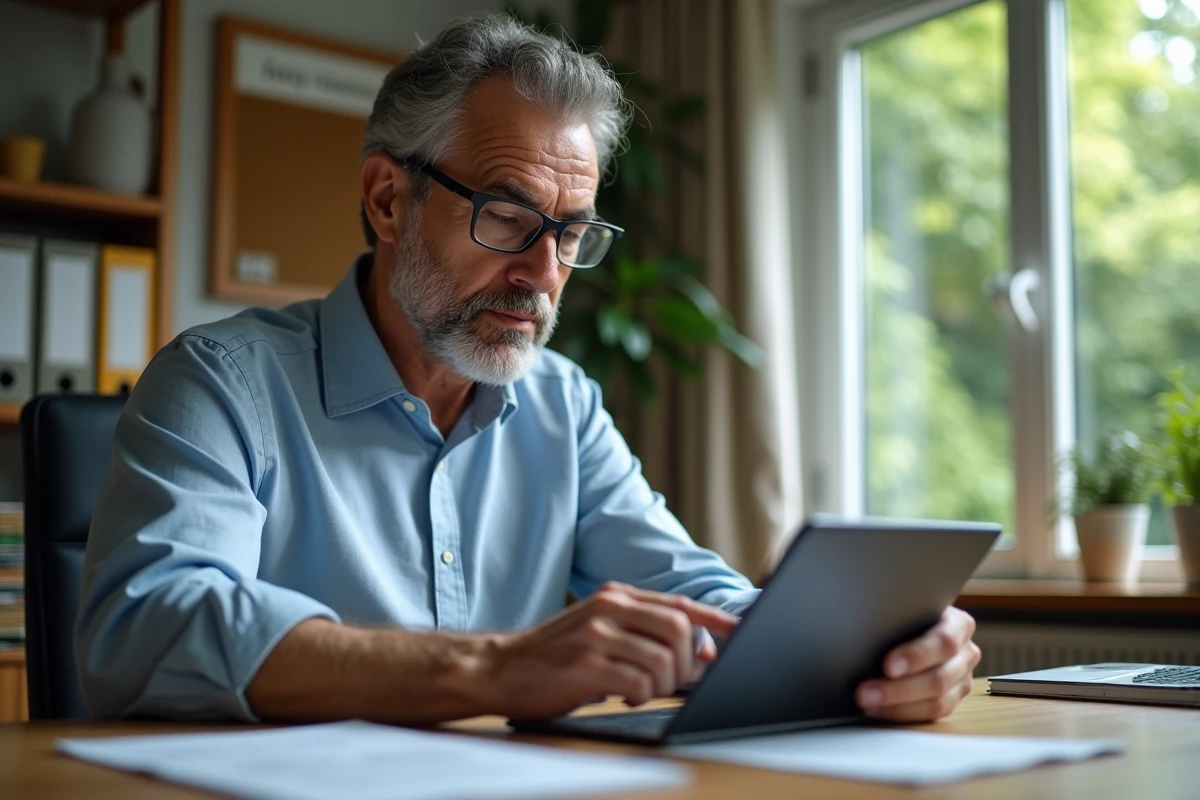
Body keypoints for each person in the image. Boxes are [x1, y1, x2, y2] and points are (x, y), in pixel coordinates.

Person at [76, 14, 981, 724]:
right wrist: (493, 667)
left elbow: (687, 589)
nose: (545, 273)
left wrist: (860, 650)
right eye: (508, 218)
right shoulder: (221, 383)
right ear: (389, 200)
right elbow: (148, 628)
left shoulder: (562, 405)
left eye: (573, 232)